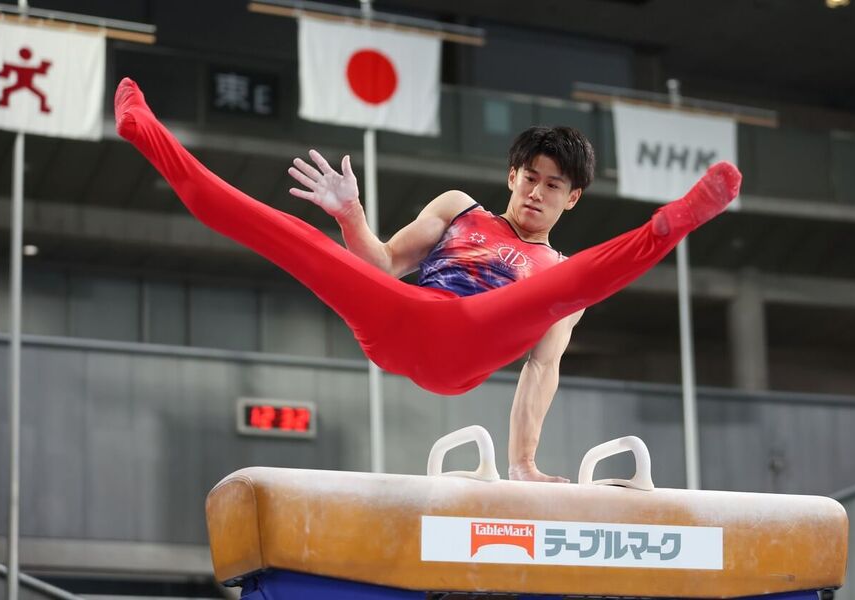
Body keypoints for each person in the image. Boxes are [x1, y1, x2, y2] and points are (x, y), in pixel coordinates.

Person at [114, 77, 741, 483]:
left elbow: (539, 369)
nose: (536, 193)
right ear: (512, 174)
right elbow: (382, 266)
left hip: (469, 344)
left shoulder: (549, 270)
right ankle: (148, 133)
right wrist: (348, 215)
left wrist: (522, 463)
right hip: (401, 316)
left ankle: (670, 225)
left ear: (571, 199)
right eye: (529, 177)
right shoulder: (457, 207)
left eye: (554, 185)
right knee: (287, 233)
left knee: (570, 283)